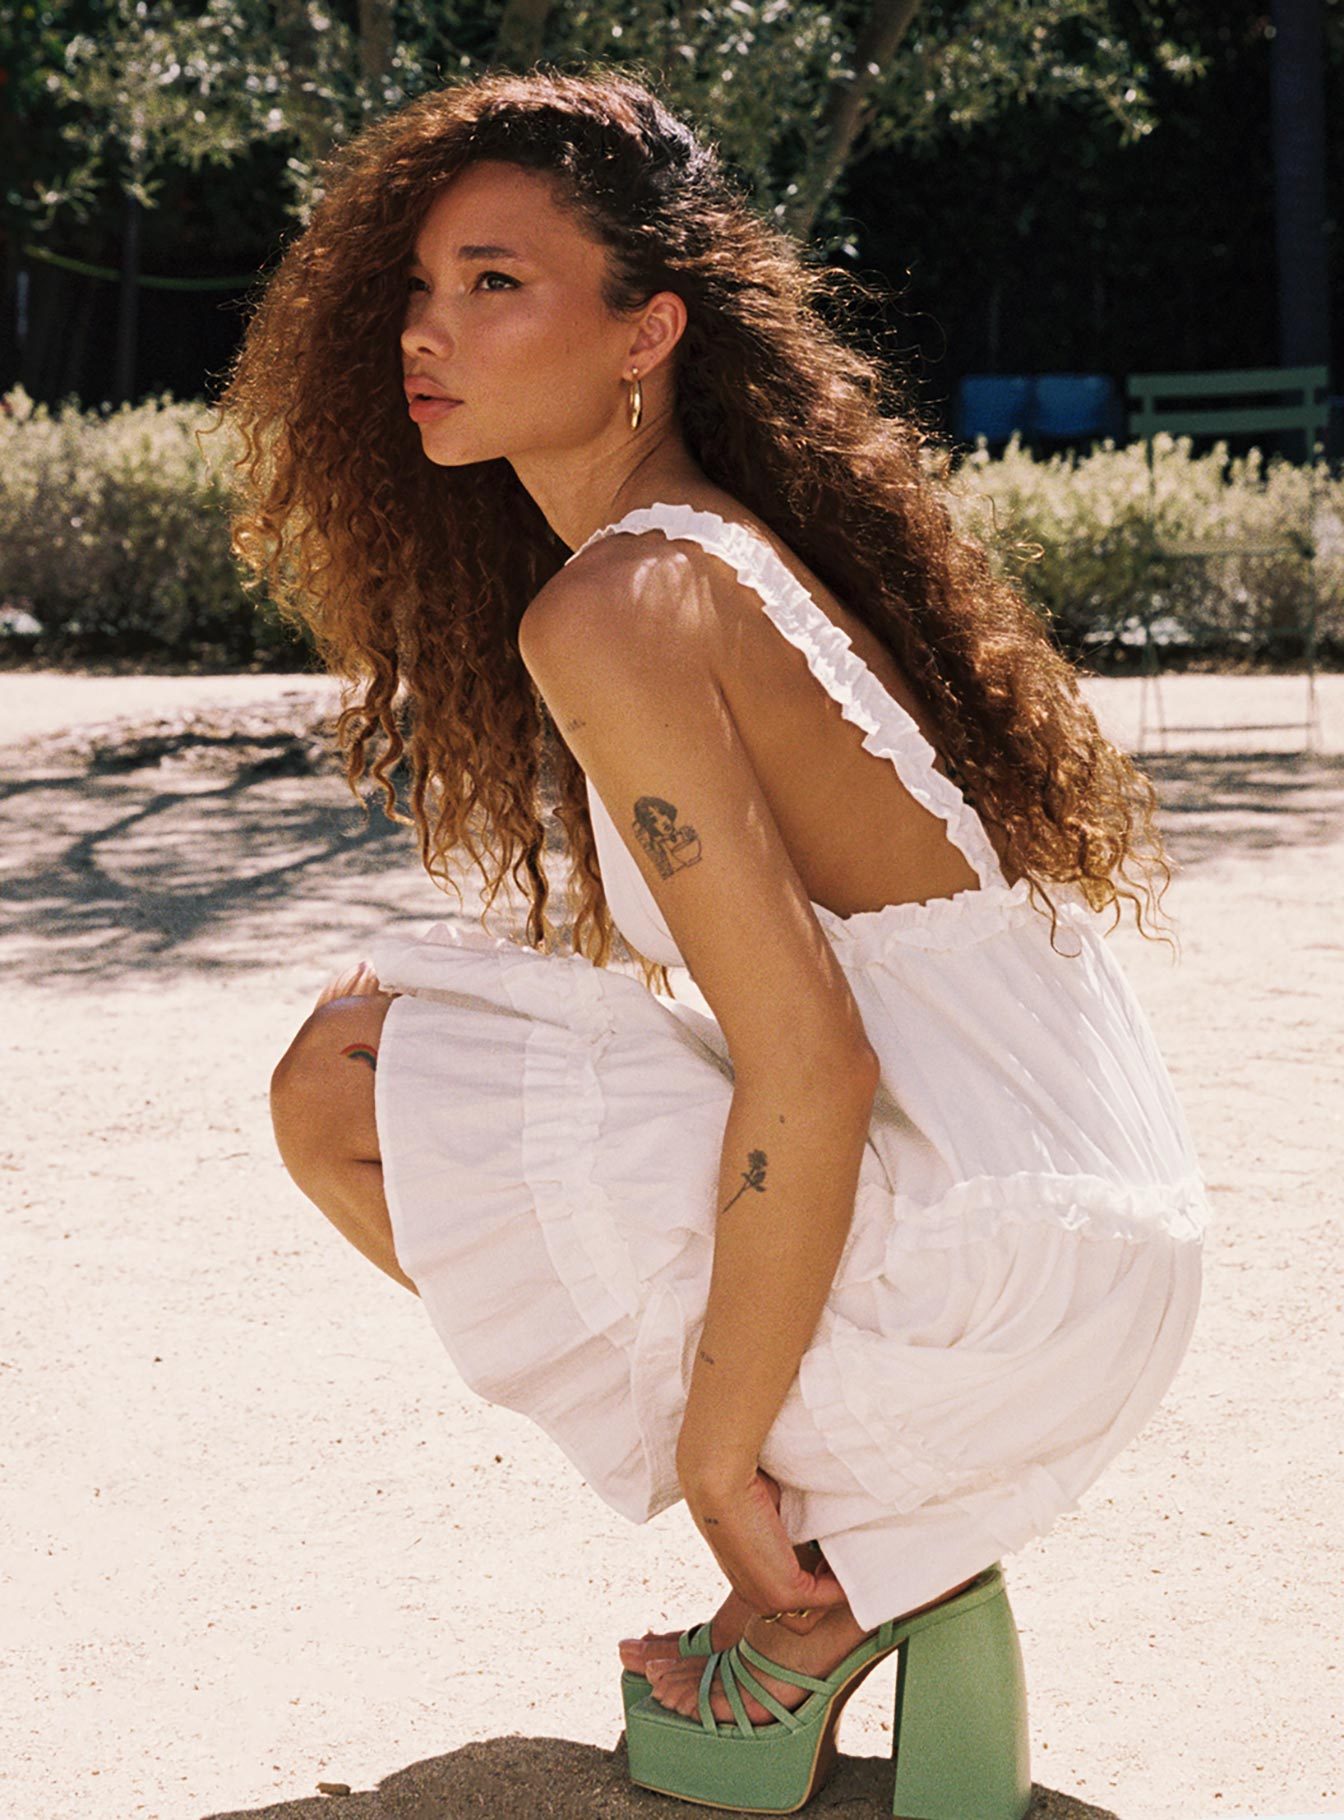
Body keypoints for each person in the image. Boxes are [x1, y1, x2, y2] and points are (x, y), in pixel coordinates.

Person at [222, 65, 1208, 1816]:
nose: (427, 329)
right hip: (1074, 1236)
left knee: (346, 1079)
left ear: (647, 331)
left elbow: (811, 1061)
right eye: (422, 285)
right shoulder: (705, 553)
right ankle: (864, 1545)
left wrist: (713, 1460)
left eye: (495, 281)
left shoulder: (624, 600)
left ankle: (810, 1566)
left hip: (995, 1279)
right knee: (428, 1039)